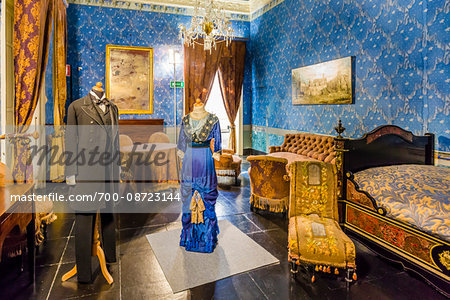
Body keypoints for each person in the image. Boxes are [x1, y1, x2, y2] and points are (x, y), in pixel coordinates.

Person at [177, 98, 222, 253]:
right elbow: (182, 141)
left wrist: (217, 152)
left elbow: (217, 142)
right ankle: (189, 237)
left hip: (204, 158)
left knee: (206, 195)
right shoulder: (185, 119)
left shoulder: (213, 119)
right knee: (188, 196)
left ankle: (206, 238)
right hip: (190, 158)